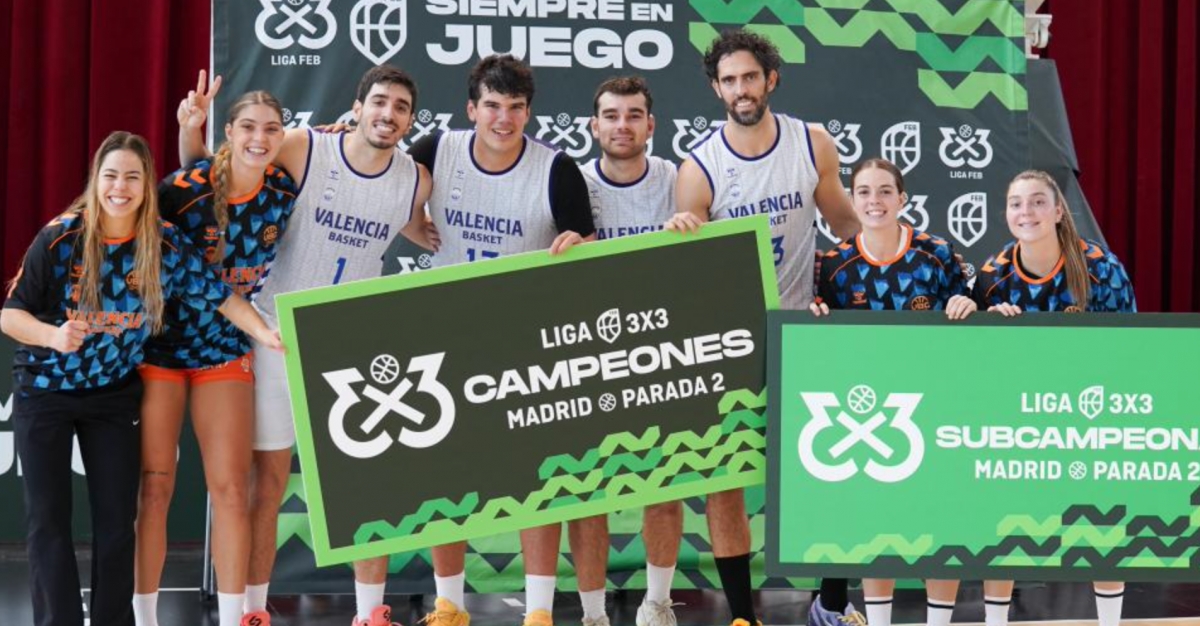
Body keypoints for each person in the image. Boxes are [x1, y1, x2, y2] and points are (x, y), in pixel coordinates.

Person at [178, 67, 434, 626]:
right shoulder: (302, 146)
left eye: (401, 107)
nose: (388, 115)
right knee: (265, 483)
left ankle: (371, 614)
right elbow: (217, 178)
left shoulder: (416, 179)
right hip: (275, 332)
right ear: (358, 105)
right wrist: (191, 133)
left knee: (368, 485)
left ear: (411, 120)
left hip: (352, 339)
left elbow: (420, 228)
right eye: (380, 103)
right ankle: (250, 610)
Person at [1, 131, 281, 626]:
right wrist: (52, 336)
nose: (120, 187)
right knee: (48, 524)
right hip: (47, 393)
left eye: (132, 177)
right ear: (96, 181)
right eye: (111, 176)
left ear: (146, 186)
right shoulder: (61, 237)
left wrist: (264, 332)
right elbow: (10, 315)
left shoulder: (164, 243)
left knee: (116, 524)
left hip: (113, 397)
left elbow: (220, 295)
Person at [665, 28, 860, 626]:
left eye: (751, 76)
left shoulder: (813, 142)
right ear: (716, 88)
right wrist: (682, 233)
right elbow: (689, 268)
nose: (741, 89)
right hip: (734, 342)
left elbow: (849, 230)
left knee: (830, 465)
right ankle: (743, 614)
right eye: (729, 80)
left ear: (770, 79)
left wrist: (895, 238)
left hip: (803, 331)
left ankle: (830, 602)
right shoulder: (699, 167)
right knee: (725, 482)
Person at [407, 54, 594, 626]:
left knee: (539, 477)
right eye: (492, 105)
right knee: (445, 476)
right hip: (446, 332)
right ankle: (448, 605)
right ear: (472, 109)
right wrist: (415, 225)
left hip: (526, 338)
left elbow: (586, 242)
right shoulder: (436, 151)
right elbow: (374, 185)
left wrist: (579, 249)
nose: (503, 118)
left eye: (515, 108)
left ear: (528, 112)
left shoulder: (558, 168)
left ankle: (538, 611)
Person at [133, 90, 297, 626]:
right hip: (161, 347)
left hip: (225, 350)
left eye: (271, 129)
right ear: (228, 131)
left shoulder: (281, 190)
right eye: (248, 126)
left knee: (229, 488)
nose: (259, 138)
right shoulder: (182, 190)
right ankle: (145, 616)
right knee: (156, 486)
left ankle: (235, 618)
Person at [808, 157, 974, 626]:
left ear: (902, 199)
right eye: (863, 192)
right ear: (852, 201)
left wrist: (969, 301)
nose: (874, 200)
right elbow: (821, 340)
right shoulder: (835, 265)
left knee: (935, 520)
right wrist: (814, 315)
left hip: (934, 405)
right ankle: (849, 610)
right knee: (872, 518)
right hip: (873, 413)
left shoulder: (935, 254)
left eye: (885, 191)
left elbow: (973, 308)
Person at [969, 169, 1135, 626]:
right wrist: (986, 320)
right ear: (1006, 214)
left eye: (1039, 202)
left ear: (1059, 211)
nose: (1027, 212)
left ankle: (1110, 620)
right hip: (1018, 418)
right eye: (1017, 203)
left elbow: (1130, 348)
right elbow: (972, 361)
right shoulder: (992, 276)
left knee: (1102, 522)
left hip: (1087, 412)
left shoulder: (1101, 268)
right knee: (1003, 522)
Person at [573, 75, 678, 626]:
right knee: (586, 493)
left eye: (633, 115)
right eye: (611, 115)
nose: (622, 125)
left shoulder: (679, 181)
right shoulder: (570, 181)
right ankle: (592, 615)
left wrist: (693, 226)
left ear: (651, 125)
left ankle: (657, 604)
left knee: (667, 485)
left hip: (661, 352)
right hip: (588, 354)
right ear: (594, 125)